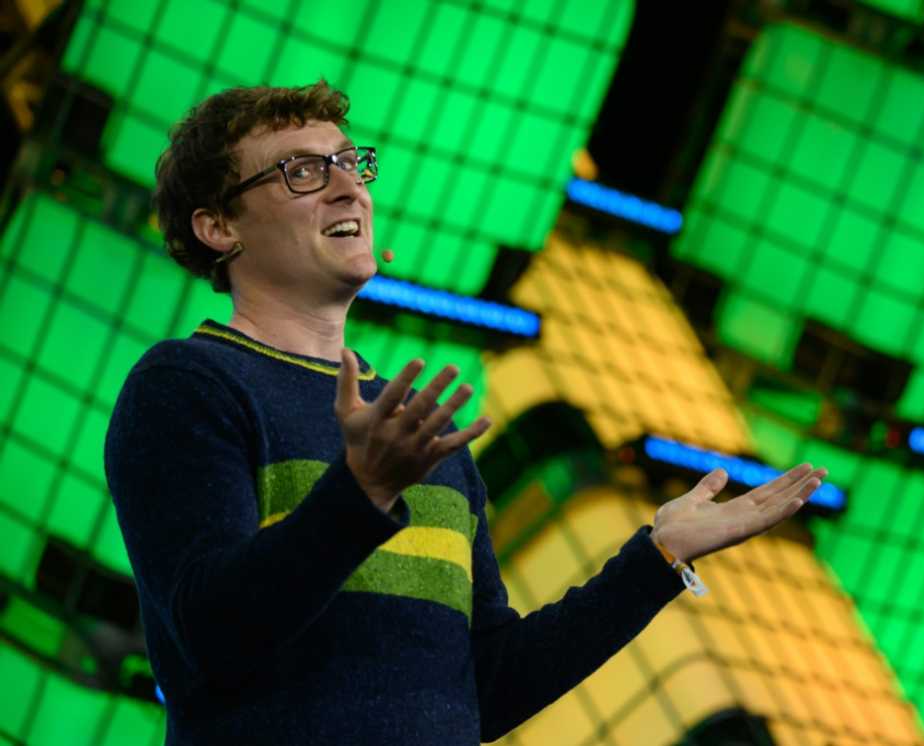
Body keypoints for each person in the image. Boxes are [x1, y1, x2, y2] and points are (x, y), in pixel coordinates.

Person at [104, 80, 827, 746]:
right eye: (302, 171)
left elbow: (486, 685)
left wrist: (656, 560)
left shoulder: (421, 437)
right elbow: (210, 639)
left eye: (352, 165)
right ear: (217, 227)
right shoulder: (187, 386)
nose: (348, 190)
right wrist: (361, 493)